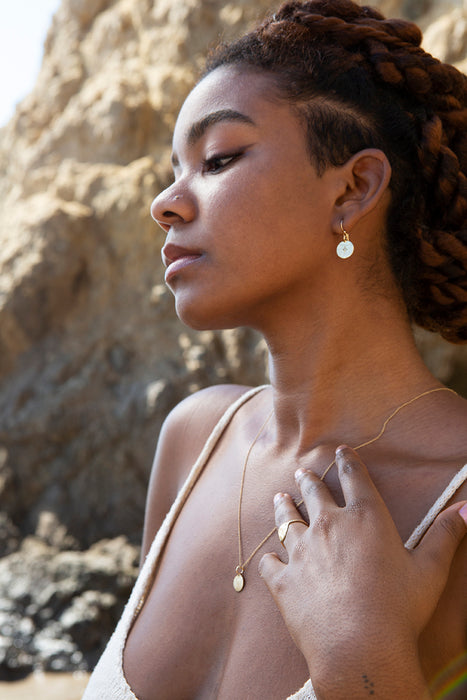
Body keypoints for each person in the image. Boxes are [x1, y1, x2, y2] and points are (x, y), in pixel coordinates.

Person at [82, 0, 467, 697]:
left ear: (352, 189)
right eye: (175, 169)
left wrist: (363, 657)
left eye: (218, 158)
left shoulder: (457, 504)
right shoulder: (194, 440)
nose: (164, 203)